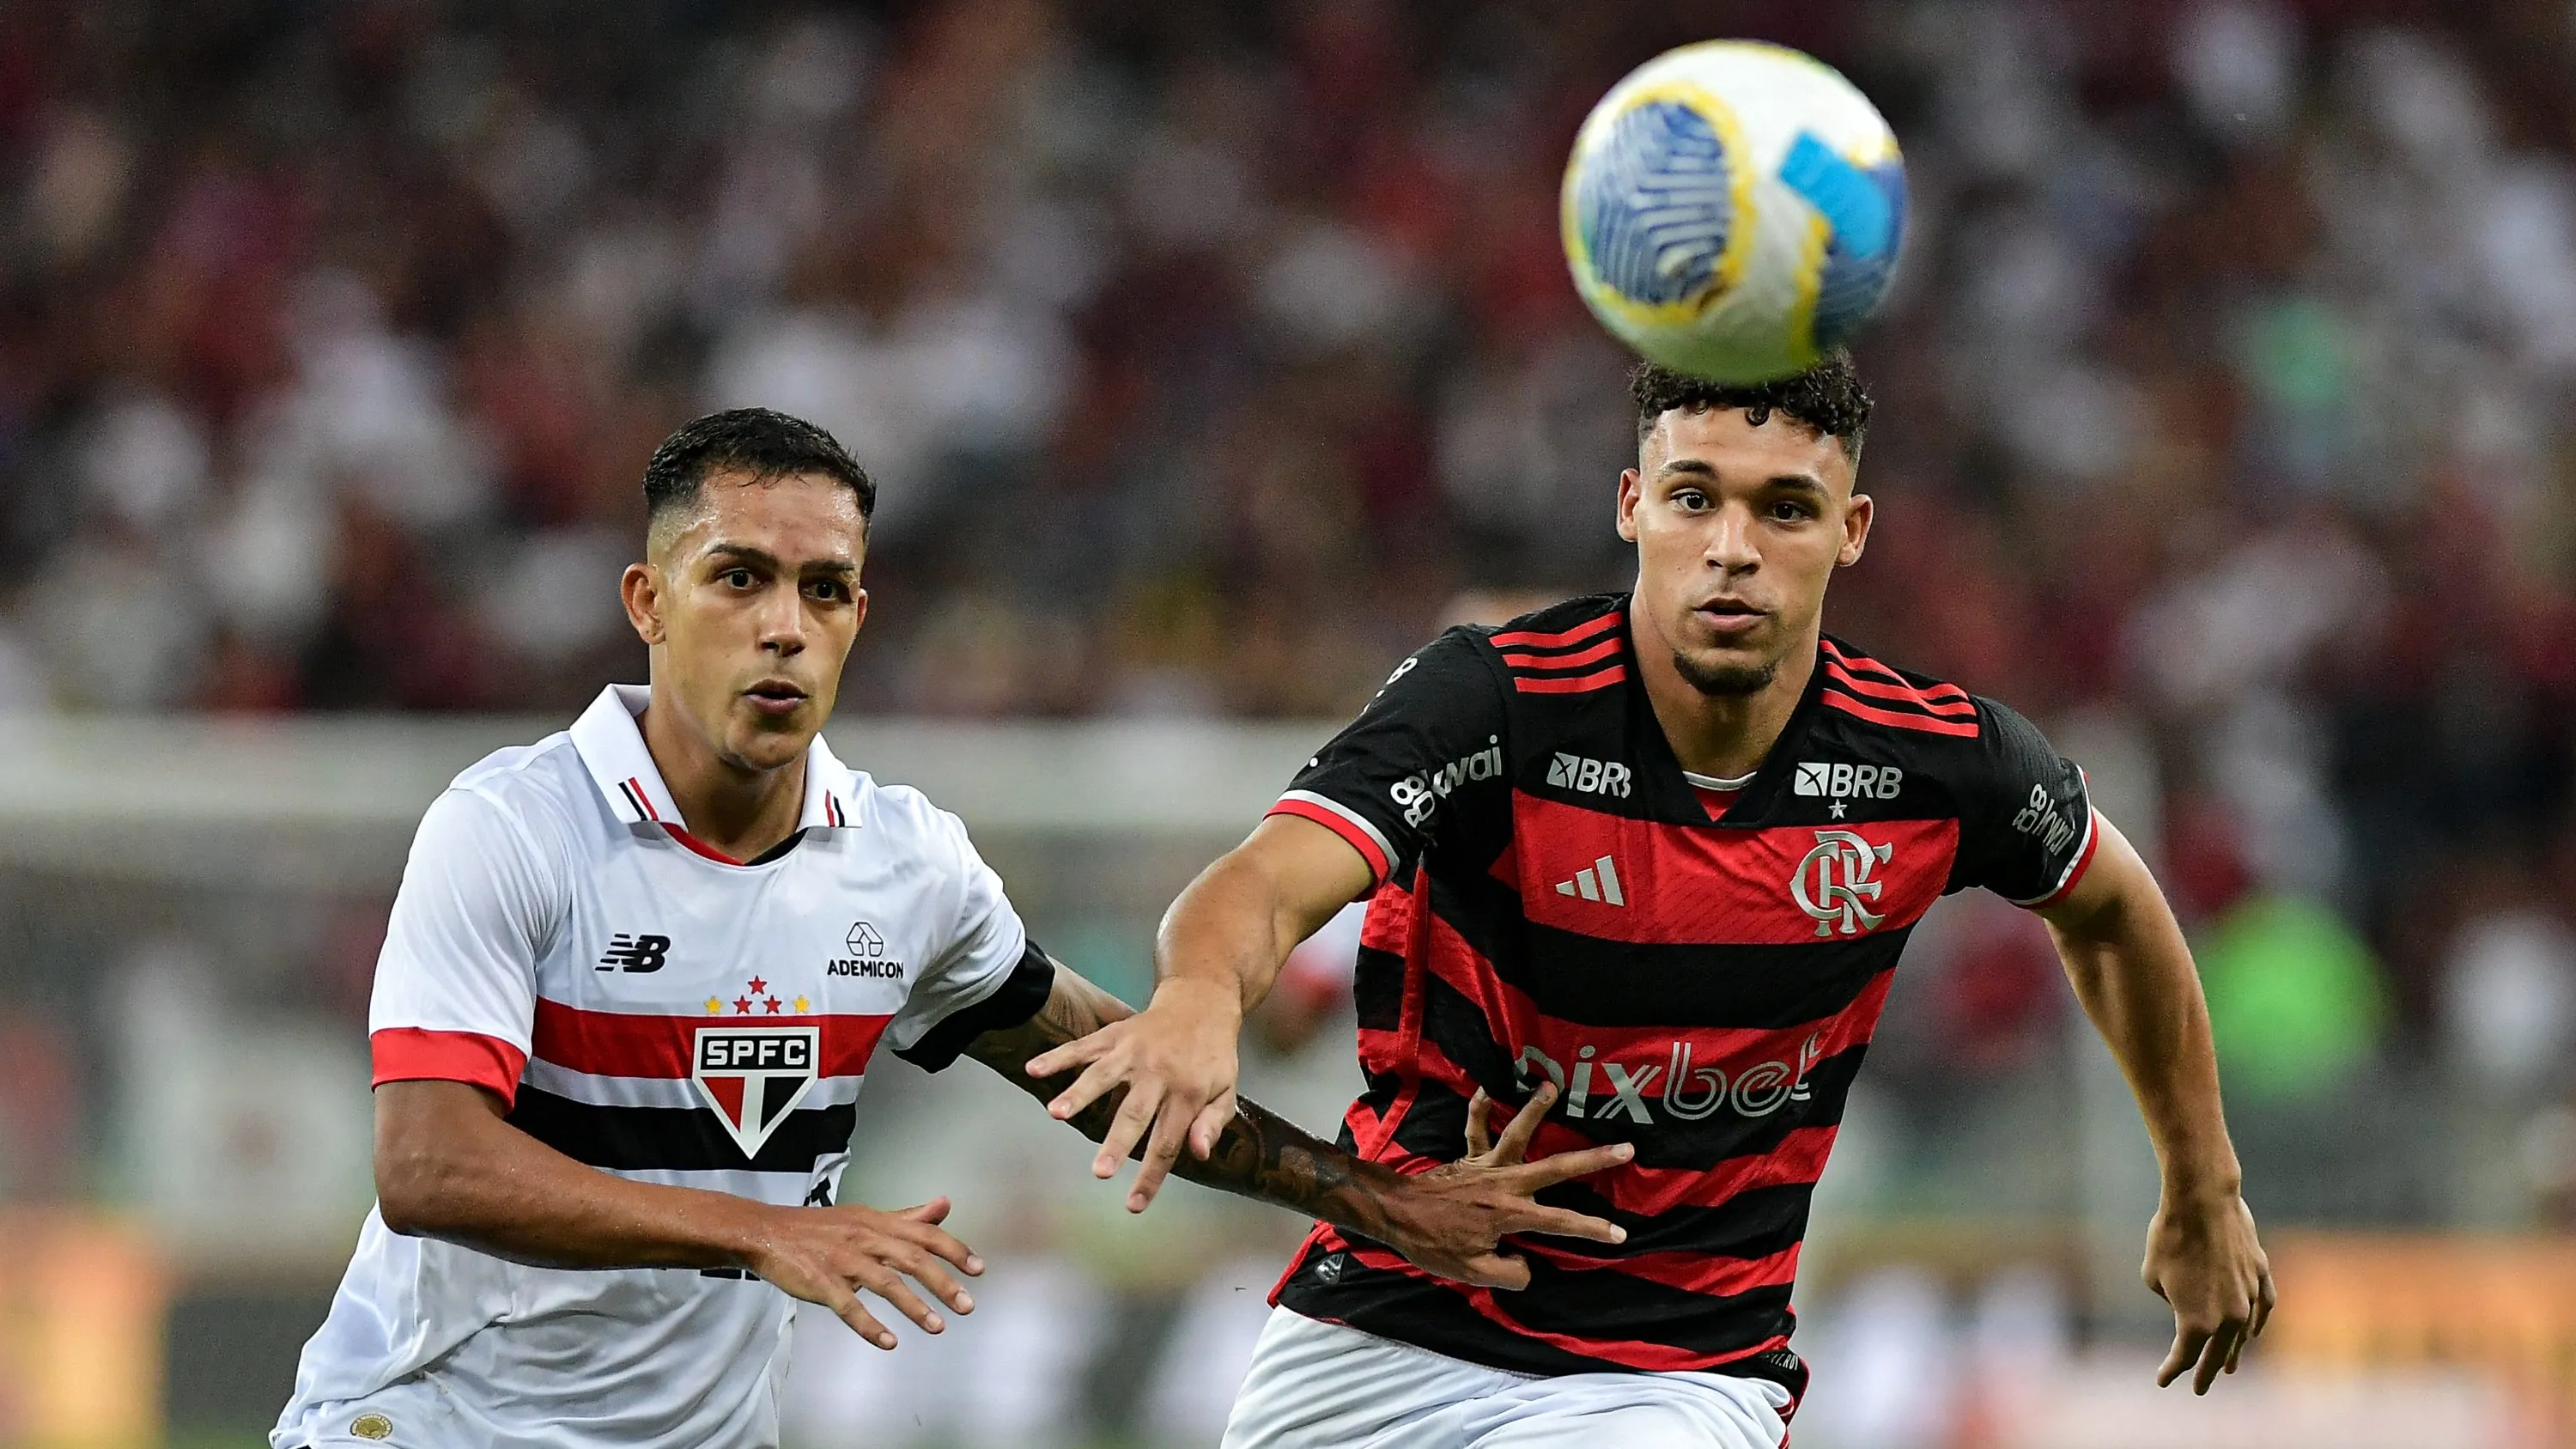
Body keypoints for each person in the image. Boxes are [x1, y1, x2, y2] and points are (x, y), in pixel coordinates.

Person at [271, 408, 1630, 1449]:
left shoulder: (904, 868)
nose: (783, 629)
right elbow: (430, 1164)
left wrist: (1379, 1198)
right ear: (648, 601)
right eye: (737, 579)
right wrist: (758, 1231)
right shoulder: (512, 827)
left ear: (861, 613)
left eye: (821, 590)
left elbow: (1117, 1071)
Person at [1030, 357, 2278, 1448]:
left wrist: (2203, 1180)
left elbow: (2115, 906)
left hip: (1680, 1369)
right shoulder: (1495, 702)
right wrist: (1199, 994)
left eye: (1785, 508)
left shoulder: (1941, 762)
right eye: (1695, 498)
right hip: (1394, 1305)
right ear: (1634, 506)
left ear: (1852, 529)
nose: (1732, 546)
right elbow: (1260, 880)